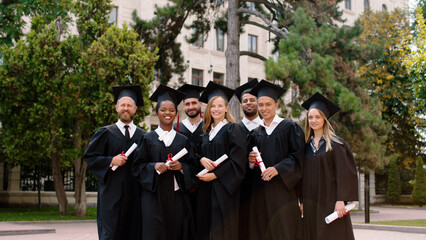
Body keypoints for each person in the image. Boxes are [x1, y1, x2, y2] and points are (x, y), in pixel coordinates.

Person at [131, 84, 197, 240]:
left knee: (177, 233)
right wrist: (153, 166)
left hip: (177, 198)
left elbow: (193, 167)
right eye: (163, 110)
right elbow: (136, 167)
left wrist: (182, 168)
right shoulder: (147, 139)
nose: (167, 113)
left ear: (176, 113)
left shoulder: (183, 140)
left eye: (171, 110)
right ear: (157, 113)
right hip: (153, 199)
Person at [83, 85, 145, 240]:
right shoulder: (106, 133)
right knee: (111, 235)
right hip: (111, 195)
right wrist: (111, 160)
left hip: (134, 197)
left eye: (129, 105)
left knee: (134, 234)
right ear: (116, 108)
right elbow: (90, 157)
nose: (126, 108)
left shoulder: (143, 136)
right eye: (122, 105)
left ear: (135, 109)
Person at [247, 80, 304, 240]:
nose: (264, 109)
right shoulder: (255, 133)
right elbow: (249, 167)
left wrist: (278, 168)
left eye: (268, 104)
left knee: (284, 232)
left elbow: (298, 158)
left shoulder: (290, 128)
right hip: (259, 196)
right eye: (261, 105)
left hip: (283, 194)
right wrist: (251, 161)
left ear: (276, 105)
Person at [300, 92, 358, 240]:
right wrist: (301, 201)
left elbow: (344, 173)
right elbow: (302, 176)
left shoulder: (336, 145)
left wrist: (341, 200)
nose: (313, 120)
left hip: (330, 201)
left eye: (317, 117)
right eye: (310, 117)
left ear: (325, 119)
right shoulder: (306, 146)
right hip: (310, 200)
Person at [195, 81, 247, 240]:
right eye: (212, 106)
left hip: (224, 189)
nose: (216, 109)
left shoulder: (233, 129)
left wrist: (215, 175)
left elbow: (238, 160)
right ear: (208, 109)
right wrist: (201, 159)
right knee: (206, 226)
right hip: (206, 189)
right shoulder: (206, 132)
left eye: (219, 106)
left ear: (226, 108)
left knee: (222, 229)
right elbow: (196, 153)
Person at [234, 78, 261, 240]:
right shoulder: (235, 129)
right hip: (240, 188)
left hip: (262, 186)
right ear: (241, 105)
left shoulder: (267, 127)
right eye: (245, 101)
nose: (248, 103)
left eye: (252, 99)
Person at [174, 84, 205, 157]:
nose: (191, 107)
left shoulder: (208, 128)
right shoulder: (176, 128)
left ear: (200, 104)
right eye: (187, 104)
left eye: (194, 103)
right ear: (183, 106)